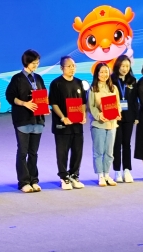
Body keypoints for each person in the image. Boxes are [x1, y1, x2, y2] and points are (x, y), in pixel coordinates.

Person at [5, 49, 46, 193]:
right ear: (26, 62)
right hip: (23, 120)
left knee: (33, 152)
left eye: (37, 62)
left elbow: (43, 95)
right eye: (33, 62)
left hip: (38, 120)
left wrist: (45, 105)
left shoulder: (38, 78)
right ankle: (23, 182)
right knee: (23, 151)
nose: (36, 65)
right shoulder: (17, 78)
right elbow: (10, 96)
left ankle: (34, 180)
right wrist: (24, 103)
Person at [48, 56, 87, 190]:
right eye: (69, 66)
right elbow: (53, 103)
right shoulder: (56, 83)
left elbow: (83, 102)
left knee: (77, 151)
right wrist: (63, 117)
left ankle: (74, 175)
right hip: (62, 125)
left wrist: (83, 115)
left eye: (73, 66)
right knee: (62, 152)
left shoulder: (79, 82)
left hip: (77, 125)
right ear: (62, 68)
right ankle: (64, 177)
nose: (72, 68)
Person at [88, 62, 121, 186]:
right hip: (99, 124)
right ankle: (100, 175)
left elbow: (117, 104)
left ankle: (107, 174)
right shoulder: (93, 89)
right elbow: (91, 106)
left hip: (112, 124)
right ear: (97, 73)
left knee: (109, 152)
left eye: (106, 72)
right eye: (101, 72)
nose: (104, 74)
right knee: (99, 151)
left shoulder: (114, 88)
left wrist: (118, 113)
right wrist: (99, 115)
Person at [112, 54, 139, 183]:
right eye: (122, 66)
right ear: (118, 66)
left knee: (126, 143)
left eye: (127, 66)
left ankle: (127, 170)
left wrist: (136, 116)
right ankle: (117, 170)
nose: (125, 69)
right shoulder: (111, 80)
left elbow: (135, 100)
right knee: (116, 144)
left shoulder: (132, 81)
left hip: (129, 117)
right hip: (115, 117)